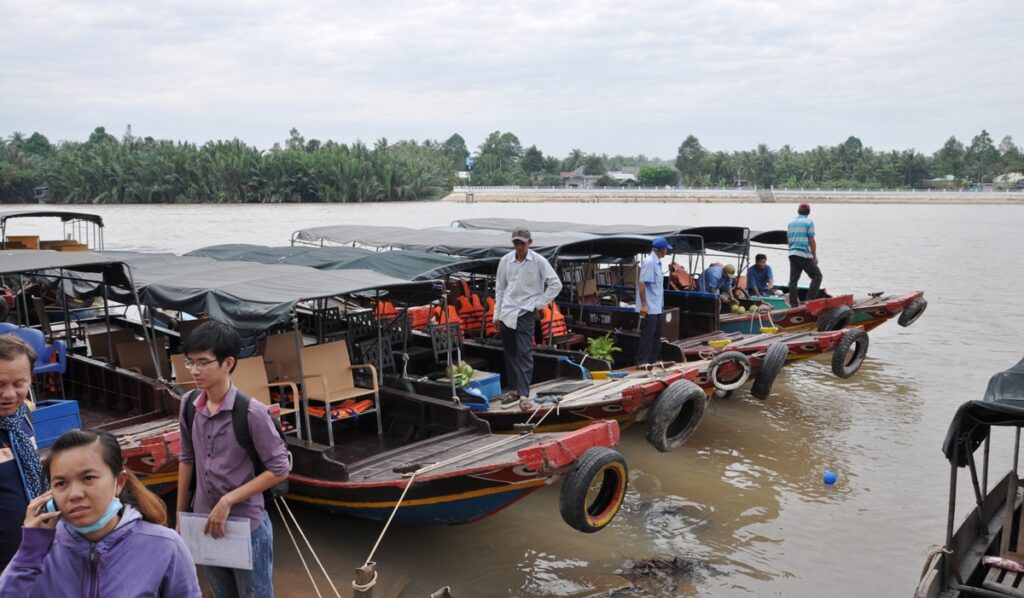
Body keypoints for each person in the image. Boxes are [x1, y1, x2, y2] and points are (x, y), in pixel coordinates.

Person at [0, 428, 201, 596]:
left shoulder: (165, 546)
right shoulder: (40, 552)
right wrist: (28, 554)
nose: (74, 494)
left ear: (119, 482)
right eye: (61, 483)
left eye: (88, 478)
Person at [175, 321, 289, 598]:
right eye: (190, 362)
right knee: (221, 593)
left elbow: (280, 468)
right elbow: (187, 458)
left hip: (245, 526)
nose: (194, 370)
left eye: (203, 362)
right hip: (203, 521)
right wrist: (179, 516)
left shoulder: (252, 412)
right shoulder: (188, 404)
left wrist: (228, 500)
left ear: (227, 363)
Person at [494, 227, 563, 405]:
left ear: (529, 243)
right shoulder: (506, 261)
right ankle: (514, 389)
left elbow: (555, 284)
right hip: (507, 312)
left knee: (524, 352)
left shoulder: (538, 261)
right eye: (516, 243)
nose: (519, 247)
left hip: (526, 311)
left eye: (522, 243)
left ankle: (524, 394)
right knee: (510, 353)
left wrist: (540, 303)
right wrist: (497, 314)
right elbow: (500, 288)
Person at [0, 335, 44, 572]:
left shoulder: (22, 415)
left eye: (19, 384)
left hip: (35, 556)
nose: (9, 394)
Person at [636, 237, 672, 365]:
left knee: (656, 335)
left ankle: (652, 361)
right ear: (662, 250)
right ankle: (643, 362)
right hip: (650, 307)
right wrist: (644, 305)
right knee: (647, 335)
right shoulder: (650, 261)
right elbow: (642, 284)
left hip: (657, 306)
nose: (667, 251)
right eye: (666, 249)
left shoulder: (657, 262)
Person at [787, 203, 822, 307]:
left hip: (792, 253)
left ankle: (793, 304)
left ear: (798, 211)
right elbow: (811, 241)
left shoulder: (791, 223)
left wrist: (791, 252)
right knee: (817, 276)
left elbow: (789, 241)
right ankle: (809, 301)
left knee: (793, 280)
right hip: (803, 254)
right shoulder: (809, 222)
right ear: (808, 212)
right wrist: (814, 257)